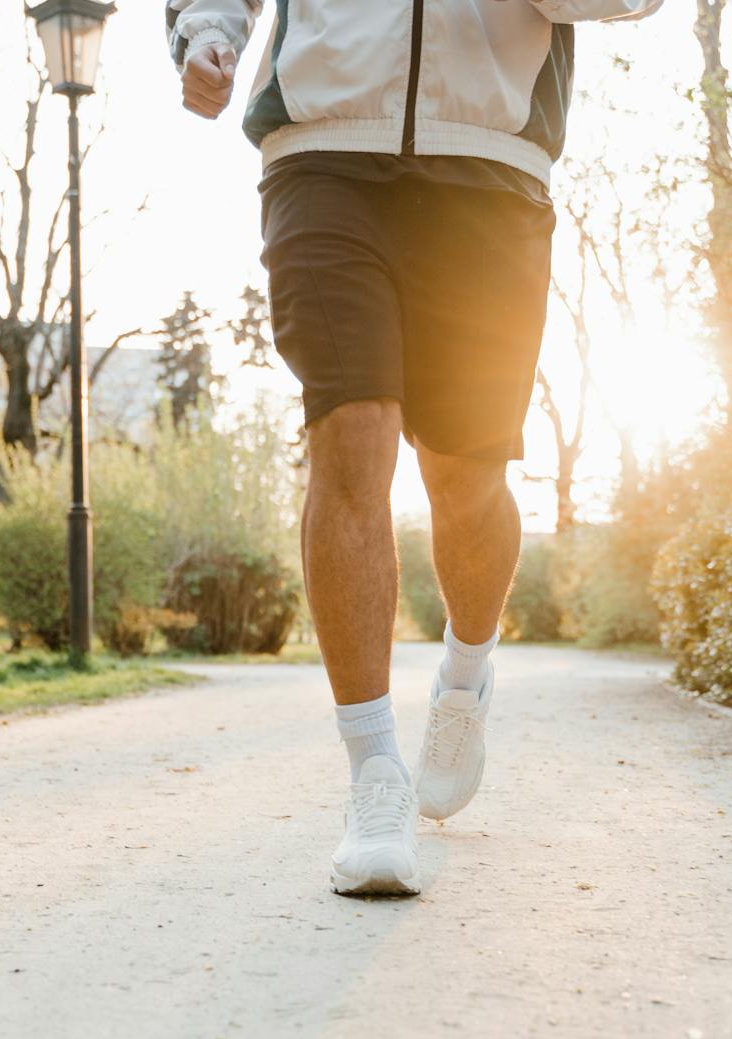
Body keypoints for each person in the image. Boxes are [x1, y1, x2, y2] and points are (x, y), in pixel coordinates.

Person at [167, 0, 665, 896]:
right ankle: (374, 777)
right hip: (324, 151)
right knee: (350, 438)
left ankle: (465, 679)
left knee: (467, 479)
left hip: (489, 162)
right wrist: (209, 30)